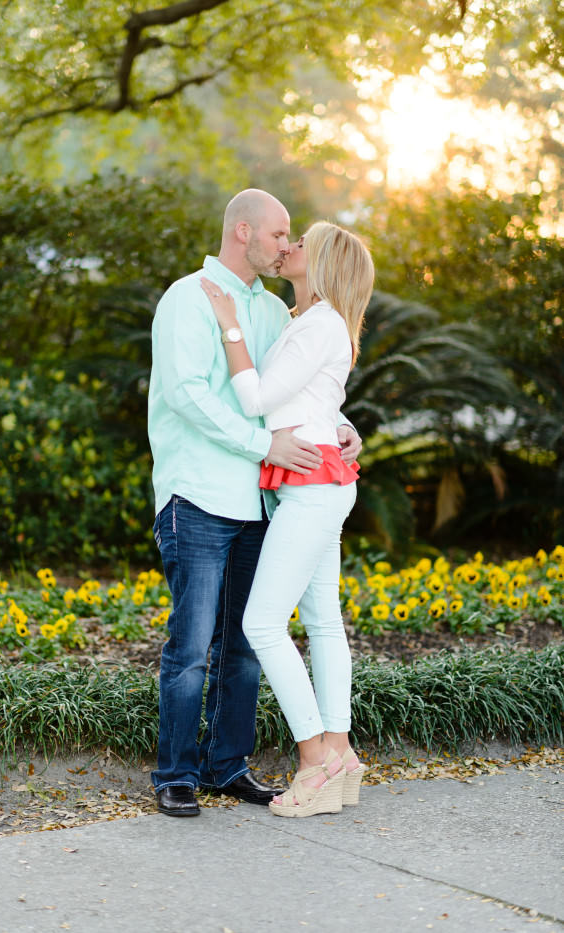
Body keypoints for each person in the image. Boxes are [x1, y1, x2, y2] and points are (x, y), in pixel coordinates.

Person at [146, 189, 361, 817]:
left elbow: (294, 386)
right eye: (279, 234)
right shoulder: (187, 298)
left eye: (293, 238)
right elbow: (188, 395)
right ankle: (177, 773)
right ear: (243, 232)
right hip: (201, 492)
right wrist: (261, 442)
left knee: (243, 644)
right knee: (190, 647)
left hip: (263, 500)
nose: (287, 245)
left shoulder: (273, 310)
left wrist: (343, 426)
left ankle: (226, 764)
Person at [199, 221, 373, 817]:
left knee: (263, 624)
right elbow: (322, 400)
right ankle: (342, 752)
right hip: (321, 482)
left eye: (303, 243)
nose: (291, 246)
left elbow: (256, 401)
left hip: (312, 489)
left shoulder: (317, 325)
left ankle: (316, 758)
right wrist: (347, 430)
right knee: (324, 622)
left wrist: (228, 324)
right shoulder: (316, 324)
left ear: (320, 263)